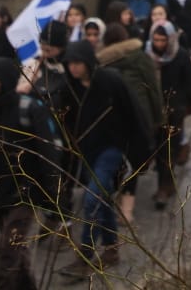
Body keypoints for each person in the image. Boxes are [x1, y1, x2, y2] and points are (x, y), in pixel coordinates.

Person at [56, 41, 152, 279]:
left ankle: (85, 255)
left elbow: (134, 113)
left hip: (113, 148)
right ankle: (110, 249)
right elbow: (65, 119)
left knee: (92, 199)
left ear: (88, 62)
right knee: (102, 197)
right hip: (87, 151)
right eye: (70, 64)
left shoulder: (111, 81)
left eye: (77, 63)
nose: (73, 68)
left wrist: (142, 153)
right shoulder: (70, 87)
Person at [0, 57, 66, 290]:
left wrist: (55, 200)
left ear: (4, 82)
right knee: (17, 253)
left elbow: (49, 154)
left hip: (25, 195)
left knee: (8, 252)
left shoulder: (29, 109)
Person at [97, 23, 164, 226]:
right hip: (139, 117)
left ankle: (117, 197)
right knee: (134, 162)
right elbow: (153, 89)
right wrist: (158, 118)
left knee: (119, 160)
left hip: (113, 120)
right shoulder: (140, 57)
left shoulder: (100, 65)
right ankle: (127, 210)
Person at [146, 21, 191, 210]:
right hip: (154, 111)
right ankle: (166, 183)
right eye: (156, 39)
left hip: (175, 110)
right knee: (158, 149)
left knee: (169, 149)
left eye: (163, 40)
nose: (159, 44)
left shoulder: (181, 55)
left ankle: (164, 186)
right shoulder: (147, 56)